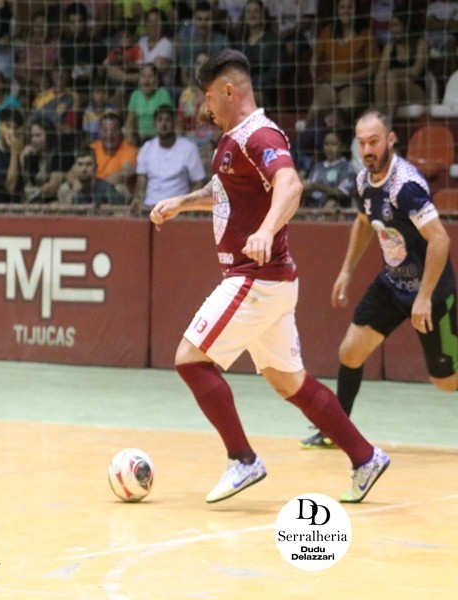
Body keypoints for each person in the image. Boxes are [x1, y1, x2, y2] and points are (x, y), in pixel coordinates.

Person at [149, 50, 389, 504]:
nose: (206, 108)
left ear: (228, 91)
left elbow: (290, 184)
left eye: (208, 97)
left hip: (254, 278)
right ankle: (365, 457)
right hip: (271, 282)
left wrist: (265, 229)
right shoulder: (233, 140)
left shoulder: (258, 134)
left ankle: (242, 459)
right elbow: (224, 192)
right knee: (289, 382)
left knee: (190, 359)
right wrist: (182, 202)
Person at [300, 108, 458, 448]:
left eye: (374, 142)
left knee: (447, 382)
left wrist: (424, 297)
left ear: (391, 139)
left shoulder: (406, 186)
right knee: (350, 352)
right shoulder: (363, 182)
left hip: (430, 291)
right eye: (362, 143)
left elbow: (440, 240)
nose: (368, 150)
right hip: (392, 283)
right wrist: (346, 270)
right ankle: (336, 430)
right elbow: (363, 222)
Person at [134, 104, 206, 209]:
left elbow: (199, 181)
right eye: (160, 120)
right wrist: (139, 202)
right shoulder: (146, 148)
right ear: (155, 124)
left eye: (167, 120)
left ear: (174, 123)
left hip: (177, 209)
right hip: (149, 207)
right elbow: (141, 184)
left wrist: (188, 206)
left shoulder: (189, 148)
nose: (163, 124)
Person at [300, 128, 355, 210]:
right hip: (313, 208)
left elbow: (343, 192)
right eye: (326, 144)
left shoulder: (346, 167)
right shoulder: (317, 167)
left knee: (332, 202)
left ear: (343, 146)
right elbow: (309, 189)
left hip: (335, 210)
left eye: (334, 144)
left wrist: (317, 186)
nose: (329, 148)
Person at [58, 146, 128, 206]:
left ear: (96, 168)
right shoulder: (66, 190)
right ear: (75, 167)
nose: (84, 169)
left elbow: (119, 212)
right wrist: (74, 193)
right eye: (80, 164)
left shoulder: (105, 188)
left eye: (88, 164)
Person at [91, 112, 139, 199]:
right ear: (99, 132)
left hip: (116, 192)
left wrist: (98, 185)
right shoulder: (93, 148)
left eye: (113, 130)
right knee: (66, 188)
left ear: (120, 132)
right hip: (94, 187)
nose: (109, 135)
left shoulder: (129, 149)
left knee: (119, 187)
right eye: (105, 130)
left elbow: (124, 174)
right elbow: (73, 172)